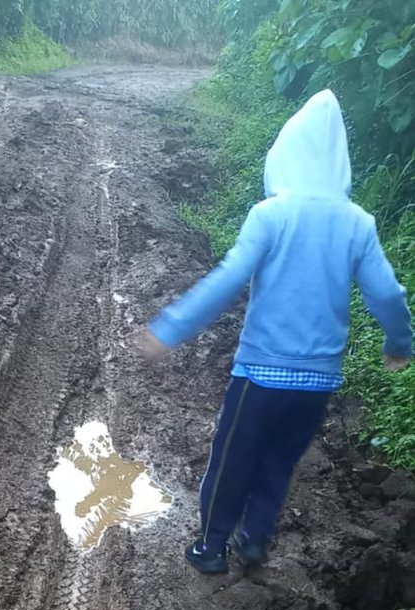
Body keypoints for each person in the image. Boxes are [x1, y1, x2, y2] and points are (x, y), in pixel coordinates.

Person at [137, 89, 412, 575]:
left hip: (260, 375)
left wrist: (172, 328)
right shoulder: (358, 223)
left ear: (286, 153)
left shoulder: (271, 215)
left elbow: (228, 279)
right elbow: (387, 294)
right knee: (279, 461)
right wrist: (399, 343)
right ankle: (256, 538)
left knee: (232, 461)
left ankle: (211, 547)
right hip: (318, 381)